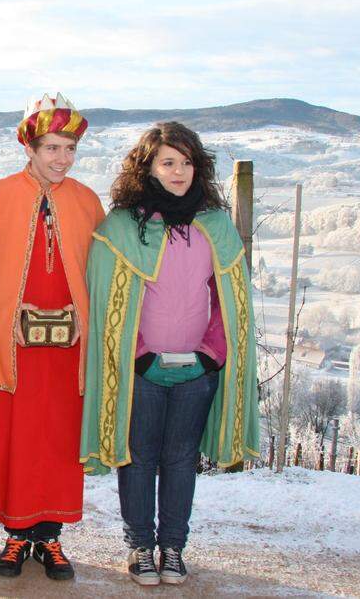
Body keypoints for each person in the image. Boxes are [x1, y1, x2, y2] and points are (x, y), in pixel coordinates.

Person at [80, 121, 260, 586]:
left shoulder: (215, 227)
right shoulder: (121, 228)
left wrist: (209, 356)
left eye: (186, 162)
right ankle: (140, 545)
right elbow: (109, 305)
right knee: (138, 457)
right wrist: (138, 356)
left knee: (180, 459)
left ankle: (173, 548)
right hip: (140, 370)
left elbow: (229, 303)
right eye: (168, 162)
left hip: (196, 372)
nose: (179, 171)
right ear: (148, 167)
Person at [0, 94, 104, 580]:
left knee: (58, 441)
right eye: (52, 149)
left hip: (67, 352)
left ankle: (51, 538)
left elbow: (97, 277)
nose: (61, 159)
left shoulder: (86, 201)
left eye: (69, 149)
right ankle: (17, 536)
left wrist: (83, 317)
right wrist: (5, 316)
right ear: (30, 148)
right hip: (13, 348)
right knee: (16, 439)